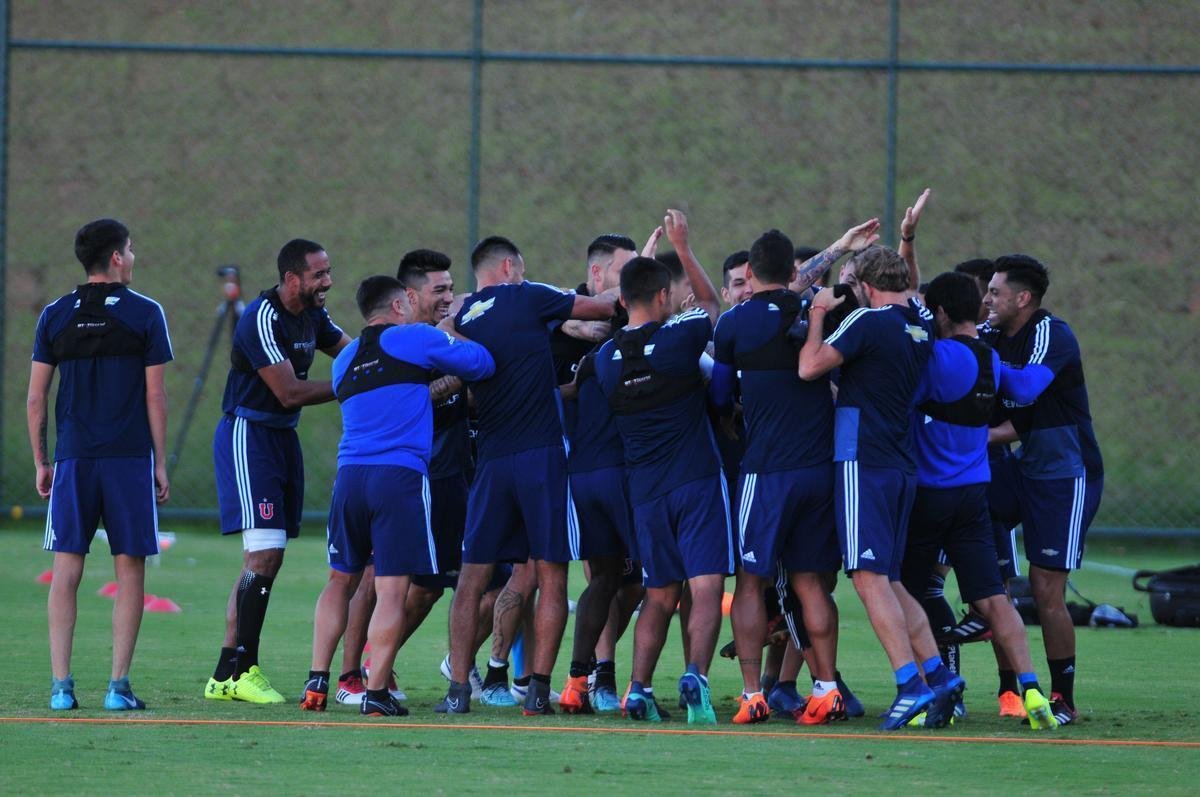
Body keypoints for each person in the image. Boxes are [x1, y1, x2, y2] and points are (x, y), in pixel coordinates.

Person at [438, 235, 617, 716]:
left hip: (492, 459)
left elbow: (452, 344)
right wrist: (632, 272)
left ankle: (458, 689)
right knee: (551, 575)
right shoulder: (528, 293)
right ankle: (538, 689)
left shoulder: (462, 317)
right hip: (540, 457)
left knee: (472, 577)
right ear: (508, 266)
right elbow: (602, 307)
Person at [300, 275, 495, 716]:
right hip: (399, 477)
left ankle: (316, 682)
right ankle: (375, 692)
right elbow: (480, 363)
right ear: (398, 306)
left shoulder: (342, 359)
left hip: (349, 477)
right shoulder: (414, 338)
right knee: (391, 589)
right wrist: (453, 332)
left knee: (339, 580)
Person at [713, 224, 876, 725]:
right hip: (818, 469)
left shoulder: (733, 325)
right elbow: (802, 284)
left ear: (749, 274)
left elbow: (720, 396)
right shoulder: (814, 313)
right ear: (791, 273)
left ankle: (751, 694)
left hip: (766, 471)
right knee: (810, 583)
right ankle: (826, 688)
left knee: (749, 581)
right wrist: (841, 250)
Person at [799, 243, 965, 730]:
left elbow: (809, 367)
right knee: (890, 580)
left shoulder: (868, 321)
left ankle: (908, 684)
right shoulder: (920, 325)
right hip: (899, 463)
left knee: (869, 579)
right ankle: (937, 674)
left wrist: (816, 314)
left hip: (860, 460)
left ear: (867, 286)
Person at [901, 270, 1057, 729]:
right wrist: (1057, 361)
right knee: (992, 598)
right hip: (975, 497)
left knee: (906, 594)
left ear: (943, 313)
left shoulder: (934, 358)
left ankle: (931, 693)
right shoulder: (990, 357)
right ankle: (1030, 689)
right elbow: (1028, 389)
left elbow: (895, 398)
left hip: (929, 496)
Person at [594, 210, 731, 725]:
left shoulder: (606, 359)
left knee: (658, 594)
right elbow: (713, 306)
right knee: (706, 587)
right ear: (664, 296)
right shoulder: (678, 339)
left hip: (645, 491)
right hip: (694, 480)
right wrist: (683, 247)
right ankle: (695, 676)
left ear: (622, 299)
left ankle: (637, 689)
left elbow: (629, 324)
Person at [29, 218, 172, 711]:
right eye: (130, 249)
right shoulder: (146, 313)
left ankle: (61, 688)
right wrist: (160, 462)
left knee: (66, 567)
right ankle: (117, 688)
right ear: (116, 257)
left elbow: (35, 398)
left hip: (73, 457)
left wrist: (42, 461)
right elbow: (155, 394)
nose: (133, 257)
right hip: (129, 458)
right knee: (130, 568)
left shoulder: (54, 314)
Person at [206, 239, 350, 704]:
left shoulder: (314, 315)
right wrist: (359, 381)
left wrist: (387, 354)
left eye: (328, 272)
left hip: (281, 437)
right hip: (250, 435)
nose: (327, 281)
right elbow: (289, 391)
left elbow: (347, 352)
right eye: (318, 275)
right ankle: (244, 669)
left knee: (266, 557)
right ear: (292, 279)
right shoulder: (262, 319)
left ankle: (225, 674)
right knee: (264, 555)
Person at [982, 254, 1104, 726]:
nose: (987, 299)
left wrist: (978, 356)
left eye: (995, 292)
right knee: (965, 516)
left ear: (1023, 298)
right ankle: (983, 603)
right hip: (1019, 468)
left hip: (1064, 474)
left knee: (1045, 588)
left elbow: (1029, 387)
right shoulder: (992, 334)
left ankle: (1062, 698)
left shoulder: (1053, 334)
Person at [551, 234, 643, 715]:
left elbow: (567, 390)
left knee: (608, 579)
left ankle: (577, 681)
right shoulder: (648, 345)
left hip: (584, 473)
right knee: (664, 579)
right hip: (622, 475)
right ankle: (636, 687)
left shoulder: (595, 356)